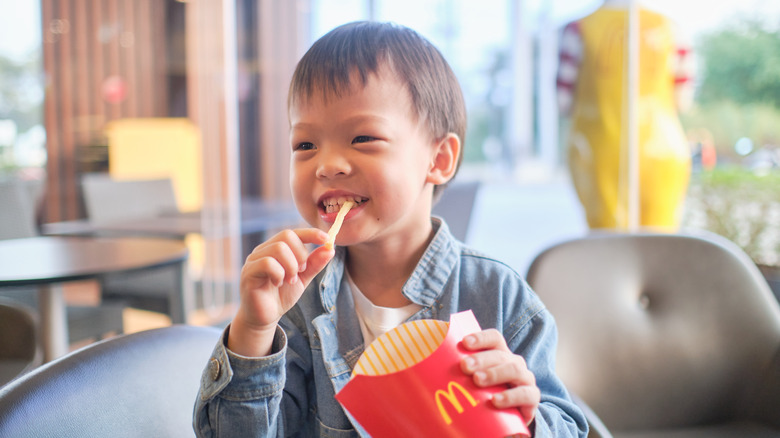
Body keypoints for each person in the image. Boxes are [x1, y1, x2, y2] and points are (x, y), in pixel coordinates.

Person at [194, 21, 588, 437]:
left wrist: (523, 420)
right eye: (305, 145)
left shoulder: (499, 297)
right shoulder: (296, 303)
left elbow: (566, 424)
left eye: (362, 138)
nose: (327, 164)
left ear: (438, 160)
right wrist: (254, 330)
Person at [557, 0, 695, 230]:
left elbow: (563, 102)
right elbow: (683, 101)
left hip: (597, 148)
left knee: (608, 239)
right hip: (663, 148)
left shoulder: (578, 28)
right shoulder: (671, 28)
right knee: (659, 237)